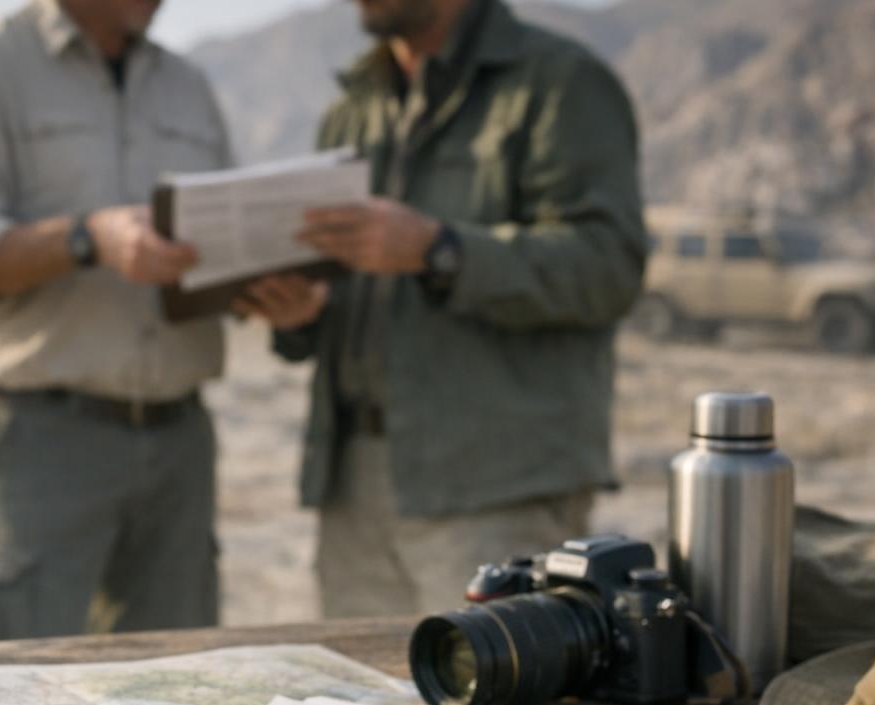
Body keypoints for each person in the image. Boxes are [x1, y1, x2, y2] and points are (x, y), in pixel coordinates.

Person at [236, 0, 647, 619]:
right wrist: (302, 315)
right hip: (354, 488)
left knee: (493, 681)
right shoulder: (352, 110)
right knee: (360, 680)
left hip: (495, 486)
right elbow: (354, 291)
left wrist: (440, 251)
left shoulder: (558, 84)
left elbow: (606, 268)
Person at [0, 0, 233, 641]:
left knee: (177, 682)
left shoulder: (188, 87)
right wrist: (89, 239)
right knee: (6, 679)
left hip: (179, 442)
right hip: (35, 440)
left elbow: (222, 237)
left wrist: (265, 289)